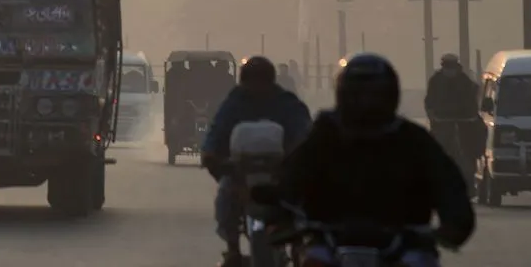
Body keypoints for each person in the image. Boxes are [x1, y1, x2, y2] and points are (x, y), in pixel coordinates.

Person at [270, 53, 475, 267]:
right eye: (357, 95)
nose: (366, 103)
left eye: (375, 95)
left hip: (404, 246)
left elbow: (448, 183)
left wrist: (456, 222)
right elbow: (290, 176)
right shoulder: (324, 136)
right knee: (313, 259)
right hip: (330, 244)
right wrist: (278, 212)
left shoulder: (411, 139)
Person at [202, 56, 313, 267]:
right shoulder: (234, 102)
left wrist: (298, 159)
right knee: (225, 200)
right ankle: (232, 249)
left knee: (304, 205)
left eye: (261, 80)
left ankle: (300, 248)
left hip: (281, 174)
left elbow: (305, 135)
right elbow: (216, 133)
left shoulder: (288, 103)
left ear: (271, 81)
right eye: (252, 80)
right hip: (241, 175)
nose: (256, 86)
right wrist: (210, 155)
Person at [424, 54, 480, 174]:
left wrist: (473, 116)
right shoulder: (436, 80)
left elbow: (473, 98)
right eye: (447, 66)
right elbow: (429, 101)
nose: (449, 70)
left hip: (465, 121)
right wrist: (432, 116)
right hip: (442, 121)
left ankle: (474, 169)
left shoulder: (465, 80)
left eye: (452, 66)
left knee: (475, 140)